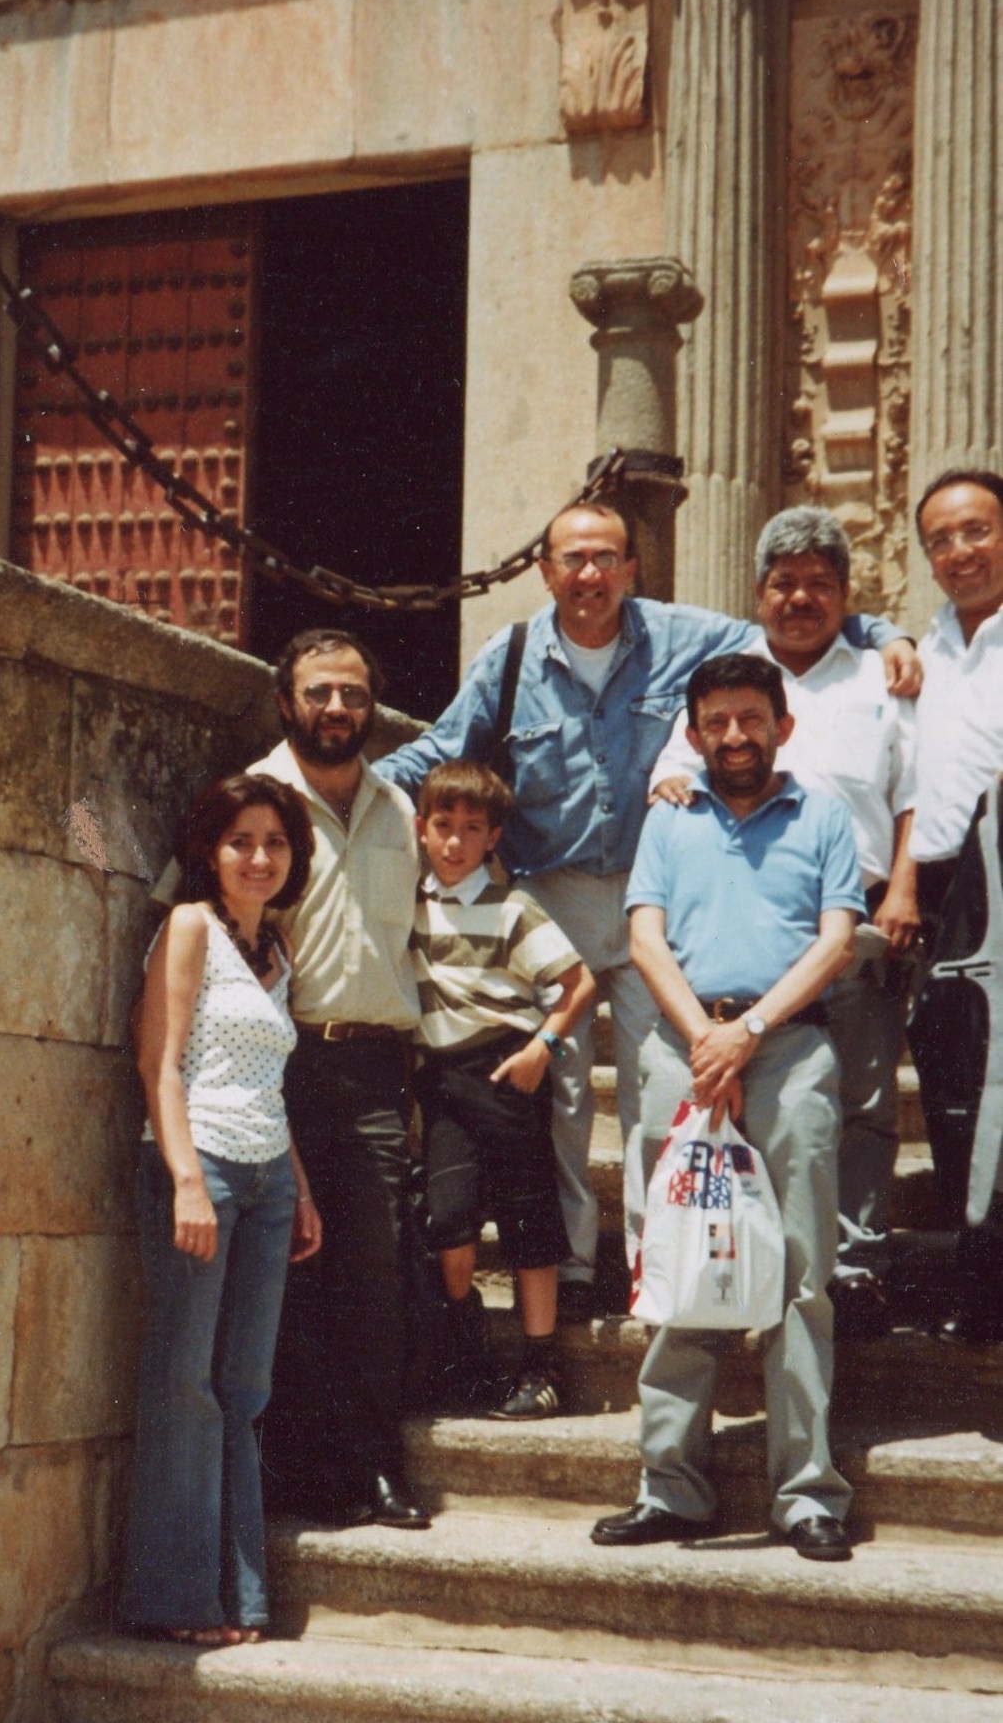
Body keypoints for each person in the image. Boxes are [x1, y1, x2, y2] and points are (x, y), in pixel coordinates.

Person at [376, 502, 918, 1321]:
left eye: (606, 558)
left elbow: (795, 621)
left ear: (632, 569)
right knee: (556, 1097)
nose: (589, 575)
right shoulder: (512, 654)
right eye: (573, 559)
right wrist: (327, 791)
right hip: (548, 892)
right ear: (545, 570)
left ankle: (646, 1259)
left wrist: (884, 634)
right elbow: (443, 748)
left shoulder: (690, 635)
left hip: (645, 897)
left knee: (650, 1088)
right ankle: (575, 1266)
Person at [591, 653, 864, 1561]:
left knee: (801, 1273)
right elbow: (644, 936)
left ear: (782, 726)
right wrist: (707, 1041)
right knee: (678, 1260)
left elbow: (835, 942)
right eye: (717, 721)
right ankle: (672, 1485)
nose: (735, 736)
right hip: (685, 1049)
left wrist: (747, 1030)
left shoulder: (822, 815)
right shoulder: (670, 818)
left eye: (752, 718)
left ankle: (808, 1493)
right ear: (697, 731)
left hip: (789, 1051)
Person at [650, 507, 918, 1337]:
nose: (800, 599)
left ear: (845, 595)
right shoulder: (727, 681)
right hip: (750, 924)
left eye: (819, 585)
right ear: (758, 594)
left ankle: (855, 1258)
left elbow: (913, 794)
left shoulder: (883, 674)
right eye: (783, 584)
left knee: (865, 1099)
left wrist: (903, 887)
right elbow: (671, 780)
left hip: (859, 916)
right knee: (769, 1103)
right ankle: (750, 1258)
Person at [117, 772, 321, 1644]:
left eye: (275, 843)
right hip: (199, 1171)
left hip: (270, 1177)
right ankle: (178, 1599)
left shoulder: (275, 951)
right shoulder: (190, 926)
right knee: (185, 1385)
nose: (259, 857)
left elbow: (269, 1082)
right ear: (211, 850)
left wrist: (300, 1189)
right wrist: (188, 1180)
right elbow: (157, 1064)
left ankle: (240, 1598)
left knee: (244, 1388)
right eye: (242, 841)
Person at [254, 629, 432, 1529]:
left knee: (372, 1275)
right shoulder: (255, 799)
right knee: (278, 1274)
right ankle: (290, 1475)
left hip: (370, 1070)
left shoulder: (403, 811)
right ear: (287, 701)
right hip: (274, 1069)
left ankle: (373, 1472)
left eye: (353, 696)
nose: (337, 710)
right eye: (320, 693)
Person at [410, 760, 596, 1417]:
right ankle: (470, 1352)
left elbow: (579, 985)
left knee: (527, 1221)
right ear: (421, 830)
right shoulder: (406, 905)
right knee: (449, 1224)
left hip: (506, 1070)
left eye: (472, 829)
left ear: (493, 837)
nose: (455, 842)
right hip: (443, 1080)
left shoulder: (513, 908)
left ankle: (540, 1367)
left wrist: (541, 1049)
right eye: (443, 826)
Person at [905, 470, 1003, 1343]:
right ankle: (982, 1288)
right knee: (956, 1088)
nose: (960, 552)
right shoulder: (925, 646)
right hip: (939, 892)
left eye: (977, 531)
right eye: (941, 539)